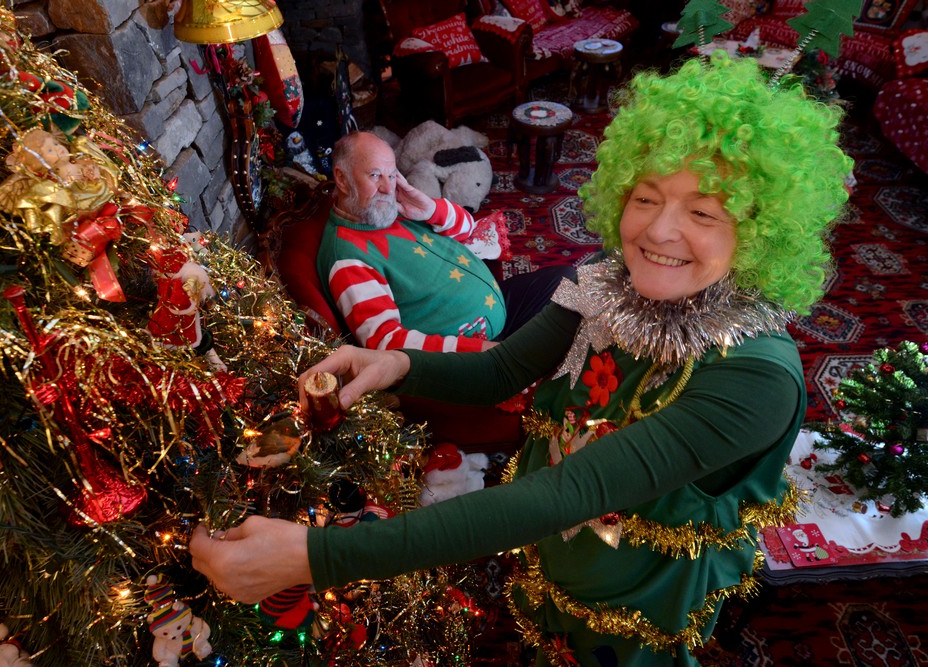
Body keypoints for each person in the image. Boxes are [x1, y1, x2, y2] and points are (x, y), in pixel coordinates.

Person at [190, 52, 853, 666]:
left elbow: (572, 490)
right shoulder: (602, 277)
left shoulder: (756, 378)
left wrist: (320, 556)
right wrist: (396, 364)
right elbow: (503, 370)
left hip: (638, 599)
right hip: (554, 553)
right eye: (646, 197)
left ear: (760, 227)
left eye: (703, 211)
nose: (656, 230)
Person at [318, 130, 574, 352]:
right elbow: (386, 343)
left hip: (495, 307)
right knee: (566, 325)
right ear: (342, 178)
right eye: (375, 176)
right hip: (479, 350)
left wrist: (430, 209)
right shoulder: (347, 257)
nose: (388, 187)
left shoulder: (385, 210)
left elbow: (468, 229)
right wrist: (484, 352)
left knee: (570, 281)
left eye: (392, 175)